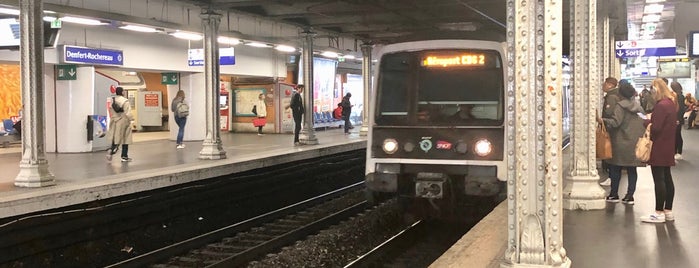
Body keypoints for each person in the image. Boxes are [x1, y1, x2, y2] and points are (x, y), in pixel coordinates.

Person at [597, 83, 645, 204]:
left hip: (620, 141)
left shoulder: (620, 106)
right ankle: (630, 196)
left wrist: (602, 120)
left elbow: (615, 122)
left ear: (621, 93)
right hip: (634, 141)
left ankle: (614, 194)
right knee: (632, 170)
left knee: (615, 168)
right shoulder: (638, 106)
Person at [640, 78, 677, 223]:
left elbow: (656, 127)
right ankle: (668, 211)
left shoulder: (661, 105)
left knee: (659, 179)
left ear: (656, 90)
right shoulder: (670, 103)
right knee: (667, 178)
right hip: (668, 146)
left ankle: (658, 212)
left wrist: (646, 121)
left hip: (659, 146)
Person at [599, 77, 619, 186]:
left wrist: (603, 122)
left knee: (610, 153)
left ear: (610, 85)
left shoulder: (611, 97)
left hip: (610, 128)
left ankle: (612, 177)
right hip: (612, 128)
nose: (603, 85)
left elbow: (609, 113)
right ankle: (612, 176)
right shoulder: (615, 95)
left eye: (605, 83)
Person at [106, 87, 134, 162]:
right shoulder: (125, 101)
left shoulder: (113, 100)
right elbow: (128, 112)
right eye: (123, 91)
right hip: (123, 121)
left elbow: (111, 110)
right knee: (125, 138)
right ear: (122, 92)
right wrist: (132, 120)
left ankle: (111, 150)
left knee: (116, 137)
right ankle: (123, 156)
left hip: (114, 121)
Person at [670, 82, 685, 160]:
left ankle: (678, 152)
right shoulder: (680, 96)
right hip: (678, 118)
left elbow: (681, 109)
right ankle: (677, 152)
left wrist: (677, 119)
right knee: (677, 135)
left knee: (677, 135)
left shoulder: (678, 96)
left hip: (677, 119)